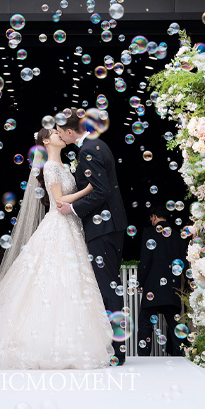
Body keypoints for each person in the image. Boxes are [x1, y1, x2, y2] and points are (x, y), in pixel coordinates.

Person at [0, 127, 115, 369]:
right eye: (55, 133)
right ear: (46, 141)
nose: (60, 134)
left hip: (72, 226)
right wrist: (88, 190)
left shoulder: (65, 167)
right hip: (58, 225)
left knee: (71, 281)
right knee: (52, 279)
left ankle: (70, 341)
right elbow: (59, 200)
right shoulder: (50, 167)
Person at [56, 108, 128, 365]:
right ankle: (115, 347)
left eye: (60, 132)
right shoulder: (97, 145)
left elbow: (101, 191)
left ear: (69, 131)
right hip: (109, 226)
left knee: (107, 286)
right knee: (109, 284)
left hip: (103, 228)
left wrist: (73, 208)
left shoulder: (88, 150)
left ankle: (117, 350)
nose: (59, 136)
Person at [136, 205, 187, 357]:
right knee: (174, 324)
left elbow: (145, 260)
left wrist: (140, 281)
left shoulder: (149, 232)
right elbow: (183, 262)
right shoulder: (177, 236)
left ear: (154, 217)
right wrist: (187, 284)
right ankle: (181, 356)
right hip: (172, 288)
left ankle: (144, 357)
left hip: (152, 286)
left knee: (145, 323)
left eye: (151, 218)